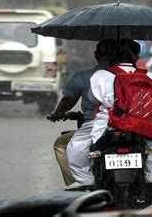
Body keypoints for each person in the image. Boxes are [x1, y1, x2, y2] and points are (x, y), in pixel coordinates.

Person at [66, 39, 152, 188]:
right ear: (137, 56)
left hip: (108, 122)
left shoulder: (100, 75)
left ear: (112, 56)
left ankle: (85, 180)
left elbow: (93, 99)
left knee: (76, 145)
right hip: (141, 124)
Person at [48, 39, 113, 186]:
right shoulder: (130, 76)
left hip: (93, 126)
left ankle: (75, 184)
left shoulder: (84, 77)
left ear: (96, 55)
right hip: (128, 127)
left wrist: (57, 114)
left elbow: (67, 101)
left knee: (61, 144)